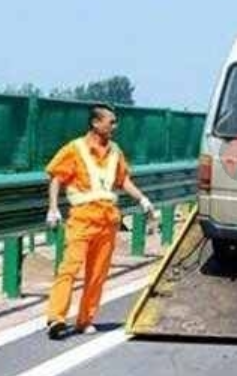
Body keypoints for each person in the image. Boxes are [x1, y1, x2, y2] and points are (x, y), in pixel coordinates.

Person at [45, 103, 155, 340]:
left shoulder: (115, 151)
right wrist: (53, 208)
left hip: (107, 220)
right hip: (82, 219)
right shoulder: (75, 149)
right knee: (69, 268)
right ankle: (56, 318)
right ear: (96, 123)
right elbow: (56, 178)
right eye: (111, 122)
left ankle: (85, 320)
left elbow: (123, 180)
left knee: (97, 274)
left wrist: (142, 199)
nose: (115, 126)